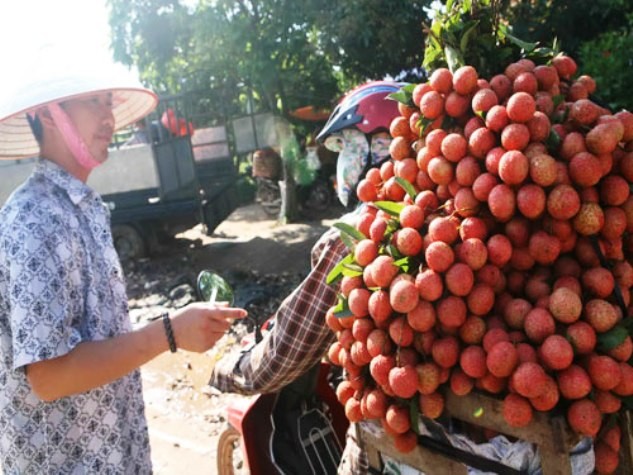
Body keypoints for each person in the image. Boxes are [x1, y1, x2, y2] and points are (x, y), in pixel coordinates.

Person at [0, 63, 247, 474]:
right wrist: (167, 332)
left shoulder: (84, 208)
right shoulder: (34, 219)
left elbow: (97, 336)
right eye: (92, 102)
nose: (108, 116)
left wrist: (168, 329)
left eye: (108, 102)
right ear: (47, 114)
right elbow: (48, 375)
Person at [209, 80, 405, 473]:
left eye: (346, 147)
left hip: (392, 446)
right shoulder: (451, 216)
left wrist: (227, 369)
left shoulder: (355, 236)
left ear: (375, 147)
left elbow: (280, 360)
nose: (341, 162)